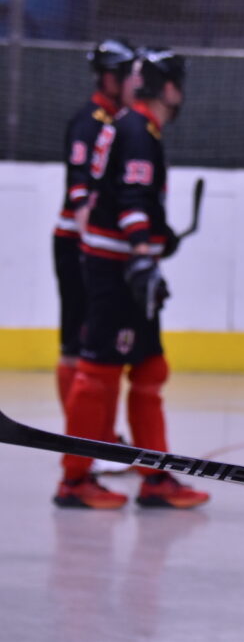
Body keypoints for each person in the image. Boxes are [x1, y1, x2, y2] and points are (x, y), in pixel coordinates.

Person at [54, 46, 208, 510]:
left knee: (148, 368)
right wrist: (143, 251)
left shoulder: (132, 125)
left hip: (121, 264)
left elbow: (126, 196)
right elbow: (131, 198)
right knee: (98, 375)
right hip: (117, 271)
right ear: (169, 88)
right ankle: (74, 479)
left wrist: (158, 237)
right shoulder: (138, 130)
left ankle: (154, 476)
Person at [53, 39, 135, 437]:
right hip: (77, 243)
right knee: (77, 341)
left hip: (97, 247)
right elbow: (78, 185)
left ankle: (97, 435)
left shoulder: (121, 122)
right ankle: (80, 438)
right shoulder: (90, 121)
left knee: (99, 342)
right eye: (125, 75)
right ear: (107, 77)